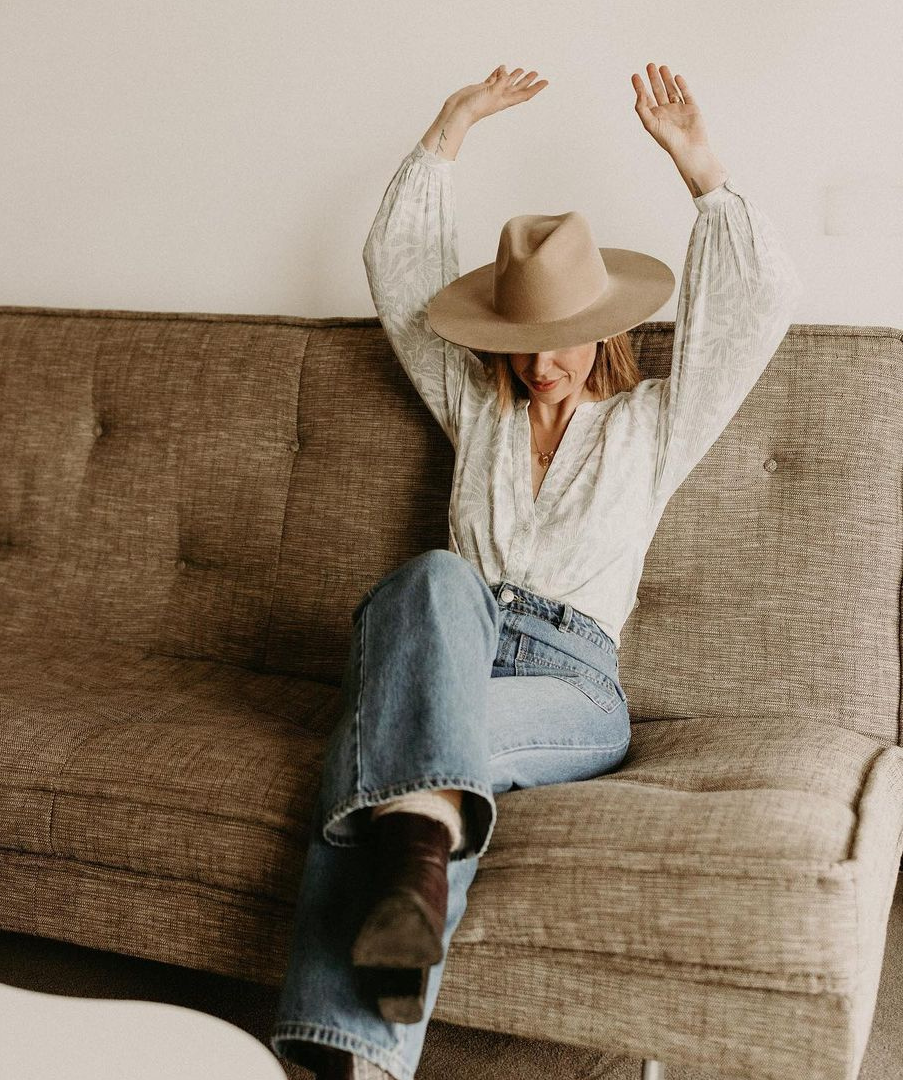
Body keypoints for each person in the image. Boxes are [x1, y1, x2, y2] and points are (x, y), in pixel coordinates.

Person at [268, 61, 801, 1080]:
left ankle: (351, 1045)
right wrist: (449, 126)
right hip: (449, 654)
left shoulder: (654, 426)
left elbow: (755, 305)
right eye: (522, 343)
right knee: (428, 578)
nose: (541, 364)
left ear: (606, 325)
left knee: (383, 748)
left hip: (570, 684)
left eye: (561, 341)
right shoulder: (478, 408)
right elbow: (397, 263)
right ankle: (416, 865)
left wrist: (700, 166)